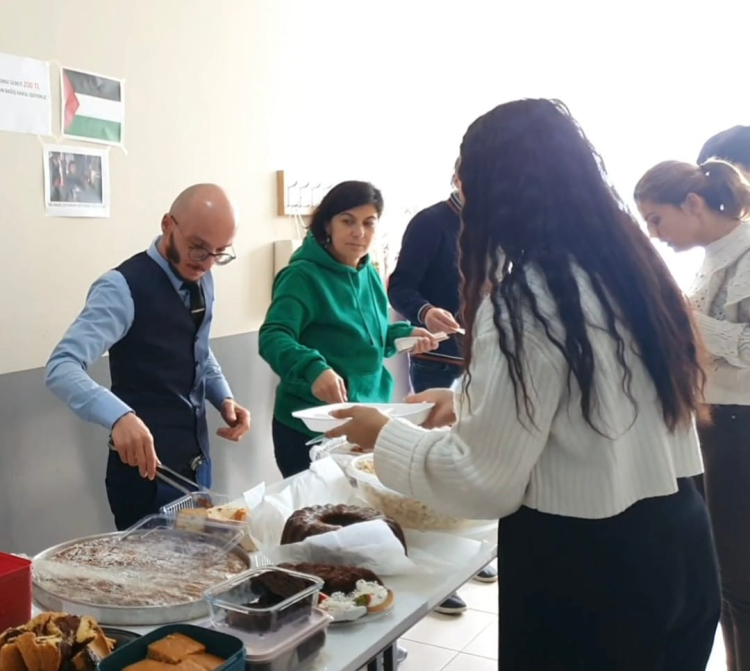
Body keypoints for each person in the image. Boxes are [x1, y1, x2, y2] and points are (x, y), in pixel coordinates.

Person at [327, 99, 721, 670]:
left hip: (590, 571)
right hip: (680, 544)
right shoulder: (630, 274)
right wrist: (464, 399)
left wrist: (383, 434)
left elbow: (481, 482)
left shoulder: (527, 302)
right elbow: (589, 399)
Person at [46, 184, 252, 530]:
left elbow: (197, 346)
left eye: (219, 253)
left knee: (202, 557)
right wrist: (119, 417)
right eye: (198, 247)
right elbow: (61, 367)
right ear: (168, 224)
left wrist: (223, 396)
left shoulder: (203, 277)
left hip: (197, 464)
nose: (206, 263)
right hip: (146, 479)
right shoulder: (121, 288)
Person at [635, 159, 750, 671]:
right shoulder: (712, 256)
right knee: (720, 573)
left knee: (739, 577)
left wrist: (685, 317)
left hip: (740, 426)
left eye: (656, 219)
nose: (653, 234)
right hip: (712, 420)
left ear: (694, 204)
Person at [259, 180, 438, 479]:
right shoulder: (301, 276)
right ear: (327, 225)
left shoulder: (369, 272)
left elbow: (372, 337)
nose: (359, 232)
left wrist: (403, 335)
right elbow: (273, 336)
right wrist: (313, 368)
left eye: (369, 223)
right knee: (320, 507)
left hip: (368, 420)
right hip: (313, 427)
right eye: (347, 221)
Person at [387, 160, 498, 616]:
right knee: (434, 461)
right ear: (456, 180)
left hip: (486, 357)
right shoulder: (431, 222)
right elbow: (400, 287)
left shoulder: (497, 225)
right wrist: (425, 311)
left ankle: (470, 550)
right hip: (436, 358)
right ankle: (435, 568)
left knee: (477, 451)